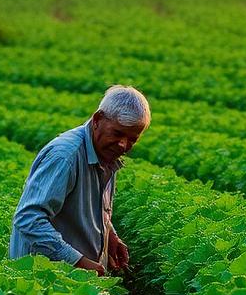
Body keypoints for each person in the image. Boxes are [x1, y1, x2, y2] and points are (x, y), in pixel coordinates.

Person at [9, 85, 150, 275]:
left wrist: (110, 235)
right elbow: (28, 218)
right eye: (117, 133)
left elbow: (88, 208)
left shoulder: (106, 154)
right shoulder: (65, 157)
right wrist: (77, 261)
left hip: (70, 282)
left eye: (132, 139)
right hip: (41, 279)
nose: (123, 144)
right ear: (97, 119)